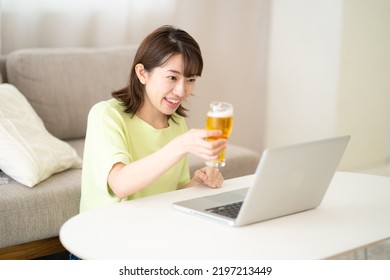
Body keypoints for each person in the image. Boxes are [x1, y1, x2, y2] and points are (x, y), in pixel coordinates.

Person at [79, 25, 227, 213]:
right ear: (142, 73)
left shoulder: (176, 122)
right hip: (110, 229)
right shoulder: (106, 115)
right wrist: (181, 145)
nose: (182, 91)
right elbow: (119, 184)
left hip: (153, 224)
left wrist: (197, 183)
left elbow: (173, 192)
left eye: (190, 80)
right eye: (172, 77)